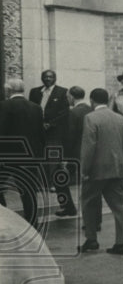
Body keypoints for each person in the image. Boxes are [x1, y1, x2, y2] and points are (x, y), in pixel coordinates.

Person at [79, 87, 123, 254]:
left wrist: (84, 169)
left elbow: (89, 147)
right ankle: (121, 242)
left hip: (96, 170)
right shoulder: (121, 119)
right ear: (108, 100)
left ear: (92, 101)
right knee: (119, 206)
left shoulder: (90, 118)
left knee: (89, 203)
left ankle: (91, 239)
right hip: (116, 167)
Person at [28, 69, 75, 217]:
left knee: (56, 171)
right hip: (37, 136)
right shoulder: (35, 92)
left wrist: (50, 124)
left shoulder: (62, 92)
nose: (48, 79)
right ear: (42, 78)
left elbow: (65, 113)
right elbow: (31, 109)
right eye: (45, 77)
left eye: (51, 76)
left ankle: (68, 206)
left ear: (55, 78)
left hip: (53, 137)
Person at [0, 79, 45, 227]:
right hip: (31, 156)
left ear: (8, 90)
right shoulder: (36, 108)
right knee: (29, 192)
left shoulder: (3, 106)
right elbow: (41, 134)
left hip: (7, 156)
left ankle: (5, 221)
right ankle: (33, 224)